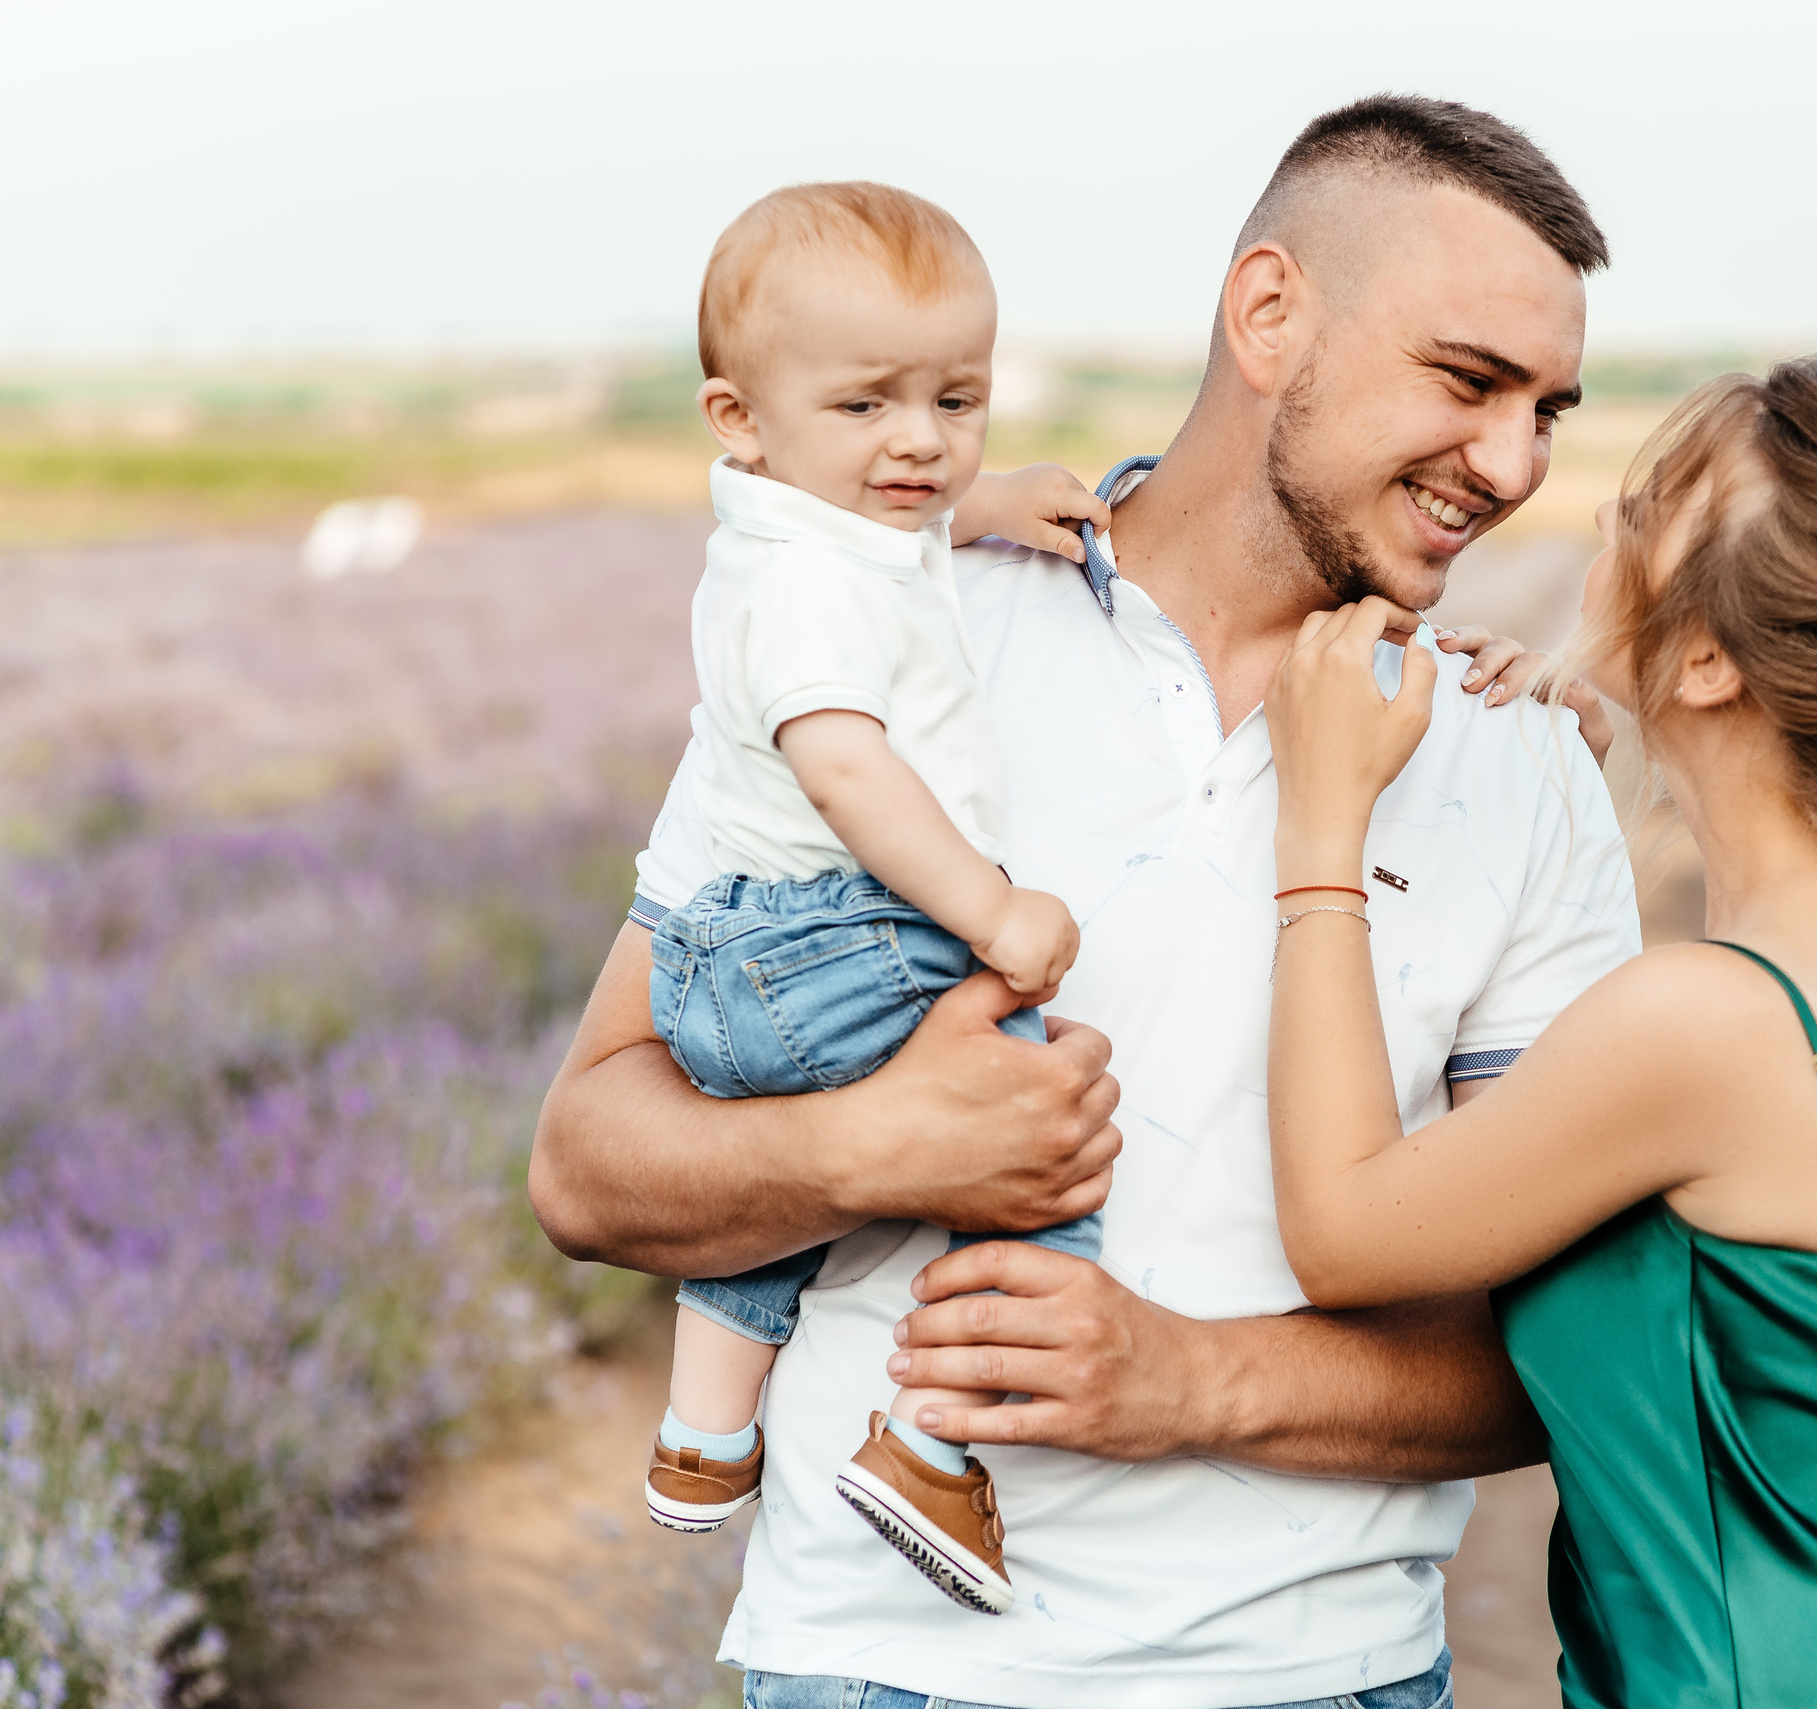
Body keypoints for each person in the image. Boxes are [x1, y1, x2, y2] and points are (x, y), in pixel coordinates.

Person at [532, 95, 1637, 1706]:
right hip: (873, 1674)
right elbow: (584, 1162)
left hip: (1324, 1677)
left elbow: (1562, 1366)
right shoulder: (891, 638)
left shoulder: (1520, 761)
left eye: (1548, 409)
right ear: (1270, 314)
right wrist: (880, 1145)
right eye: (1470, 383)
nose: (1515, 461)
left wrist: (1190, 1381)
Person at [1259, 355, 1817, 1706]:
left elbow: (1341, 1225)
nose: (1607, 510)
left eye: (1653, 497)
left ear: (1712, 657)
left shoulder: (1707, 1022)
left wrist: (1322, 827)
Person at [631, 181, 1146, 1616]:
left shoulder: (799, 526)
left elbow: (904, 516)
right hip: (818, 936)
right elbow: (848, 766)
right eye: (867, 407)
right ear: (738, 416)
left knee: (794, 1196)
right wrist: (994, 911)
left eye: (956, 398)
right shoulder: (809, 595)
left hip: (721, 961)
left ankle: (703, 1435)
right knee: (1039, 1141)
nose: (920, 440)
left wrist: (985, 500)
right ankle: (927, 1446)